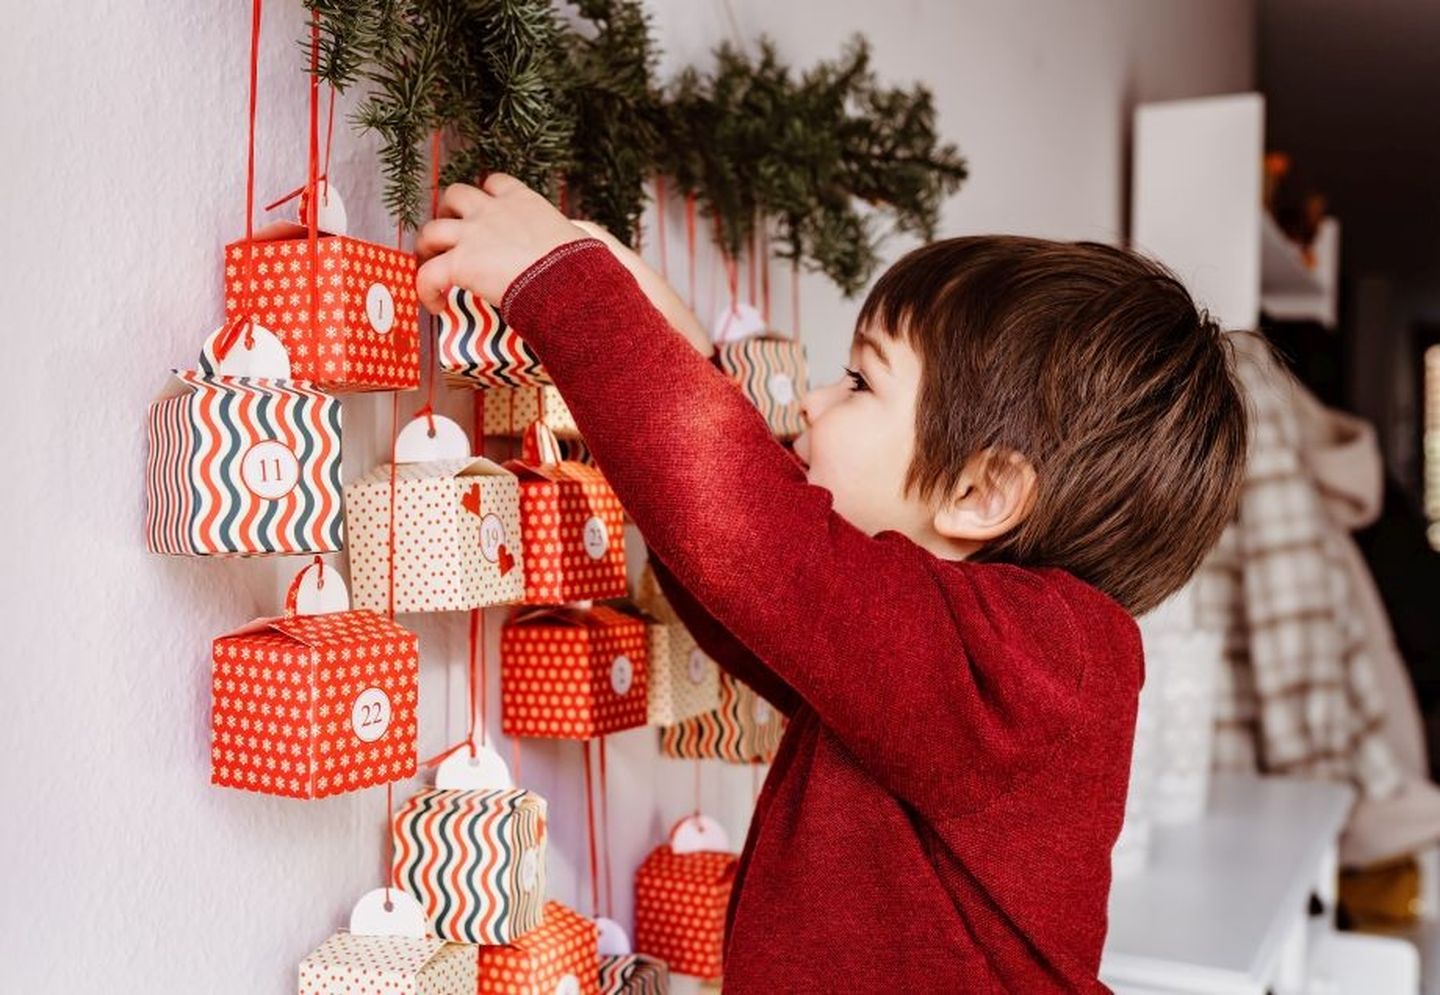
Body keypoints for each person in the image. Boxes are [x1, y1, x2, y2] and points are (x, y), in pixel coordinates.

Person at [414, 174, 1248, 992]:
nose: (812, 403)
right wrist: (679, 356)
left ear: (982, 492)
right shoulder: (935, 664)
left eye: (859, 381)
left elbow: (758, 543)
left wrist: (564, 290)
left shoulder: (1038, 660)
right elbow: (746, 596)